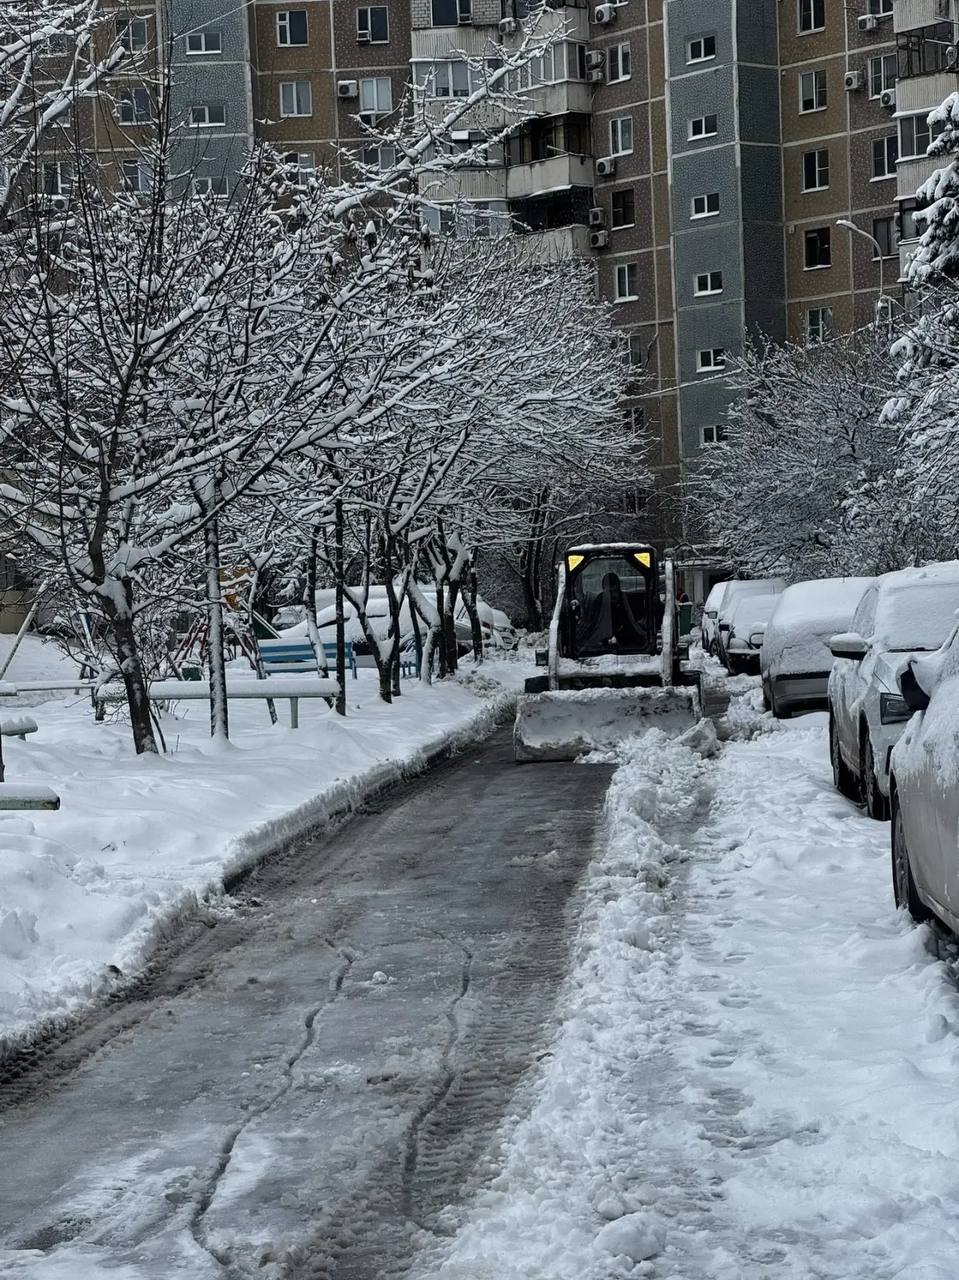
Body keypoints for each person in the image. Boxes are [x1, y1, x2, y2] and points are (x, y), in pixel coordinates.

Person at [582, 572, 647, 650]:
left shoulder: (627, 601)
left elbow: (634, 623)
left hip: (626, 640)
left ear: (619, 589)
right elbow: (595, 624)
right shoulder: (599, 601)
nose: (613, 595)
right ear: (604, 591)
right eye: (609, 592)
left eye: (615, 591)